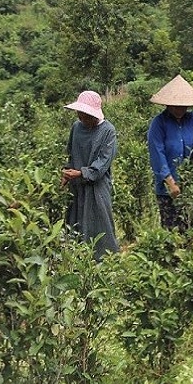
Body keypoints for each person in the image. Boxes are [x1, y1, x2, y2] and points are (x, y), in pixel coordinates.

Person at [61, 90, 120, 261]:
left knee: (100, 224)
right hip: (76, 185)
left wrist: (82, 173)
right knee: (75, 223)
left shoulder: (108, 131)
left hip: (97, 187)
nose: (81, 118)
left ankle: (105, 261)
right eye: (79, 114)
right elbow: (70, 153)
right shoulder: (76, 128)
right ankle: (77, 261)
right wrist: (66, 172)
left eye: (84, 115)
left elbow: (103, 161)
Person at [147, 74, 193, 231]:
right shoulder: (159, 123)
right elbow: (157, 155)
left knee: (191, 229)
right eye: (176, 106)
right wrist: (170, 182)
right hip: (167, 189)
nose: (180, 109)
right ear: (168, 104)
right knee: (171, 231)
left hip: (190, 185)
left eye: (184, 106)